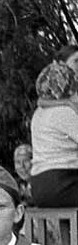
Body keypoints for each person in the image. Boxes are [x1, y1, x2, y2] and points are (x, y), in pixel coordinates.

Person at [28, 60, 78, 207]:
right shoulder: (65, 113)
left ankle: (68, 231)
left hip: (39, 187)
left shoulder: (38, 113)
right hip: (62, 184)